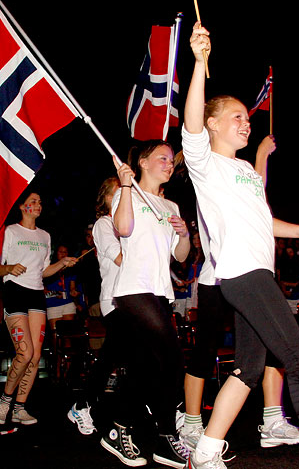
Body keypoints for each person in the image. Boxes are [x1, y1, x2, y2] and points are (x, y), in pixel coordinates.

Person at [182, 23, 299, 469]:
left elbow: (262, 221)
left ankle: (207, 453)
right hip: (241, 275)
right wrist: (198, 63)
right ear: (213, 125)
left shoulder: (247, 173)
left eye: (246, 117)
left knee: (248, 370)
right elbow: (191, 122)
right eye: (236, 116)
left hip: (257, 273)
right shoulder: (205, 163)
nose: (245, 121)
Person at [179, 132, 299, 453]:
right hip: (215, 278)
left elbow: (257, 202)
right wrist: (261, 155)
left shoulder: (240, 174)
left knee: (271, 346)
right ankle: (193, 424)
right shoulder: (210, 174)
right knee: (205, 351)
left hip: (247, 273)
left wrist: (261, 157)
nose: (244, 126)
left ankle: (273, 418)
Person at [100, 142, 191, 468]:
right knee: (173, 360)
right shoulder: (129, 196)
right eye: (162, 158)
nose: (169, 164)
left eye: (170, 159)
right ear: (142, 162)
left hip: (159, 292)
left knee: (145, 366)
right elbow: (123, 229)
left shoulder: (171, 206)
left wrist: (183, 235)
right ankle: (166, 435)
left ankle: (118, 430)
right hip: (133, 291)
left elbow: (180, 257)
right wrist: (125, 184)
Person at [0, 191, 77, 427]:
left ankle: (20, 407)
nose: (39, 205)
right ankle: (5, 400)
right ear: (21, 206)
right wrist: (8, 269)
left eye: (40, 201)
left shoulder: (45, 236)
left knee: (36, 356)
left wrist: (61, 263)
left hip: (36, 295)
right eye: (33, 202)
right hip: (15, 292)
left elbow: (43, 271)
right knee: (25, 353)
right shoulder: (9, 231)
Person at [67, 176, 123, 436]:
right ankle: (81, 405)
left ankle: (160, 408)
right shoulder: (104, 224)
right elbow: (121, 258)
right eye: (116, 193)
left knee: (124, 355)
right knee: (113, 355)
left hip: (135, 298)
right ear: (106, 199)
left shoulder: (129, 221)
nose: (122, 196)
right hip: (115, 298)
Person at [44, 244, 80, 331]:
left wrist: (73, 292)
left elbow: (72, 288)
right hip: (52, 305)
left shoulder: (71, 269)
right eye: (60, 252)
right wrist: (55, 293)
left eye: (65, 252)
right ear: (56, 253)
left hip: (68, 303)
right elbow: (42, 290)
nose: (63, 254)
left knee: (67, 334)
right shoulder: (49, 268)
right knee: (55, 335)